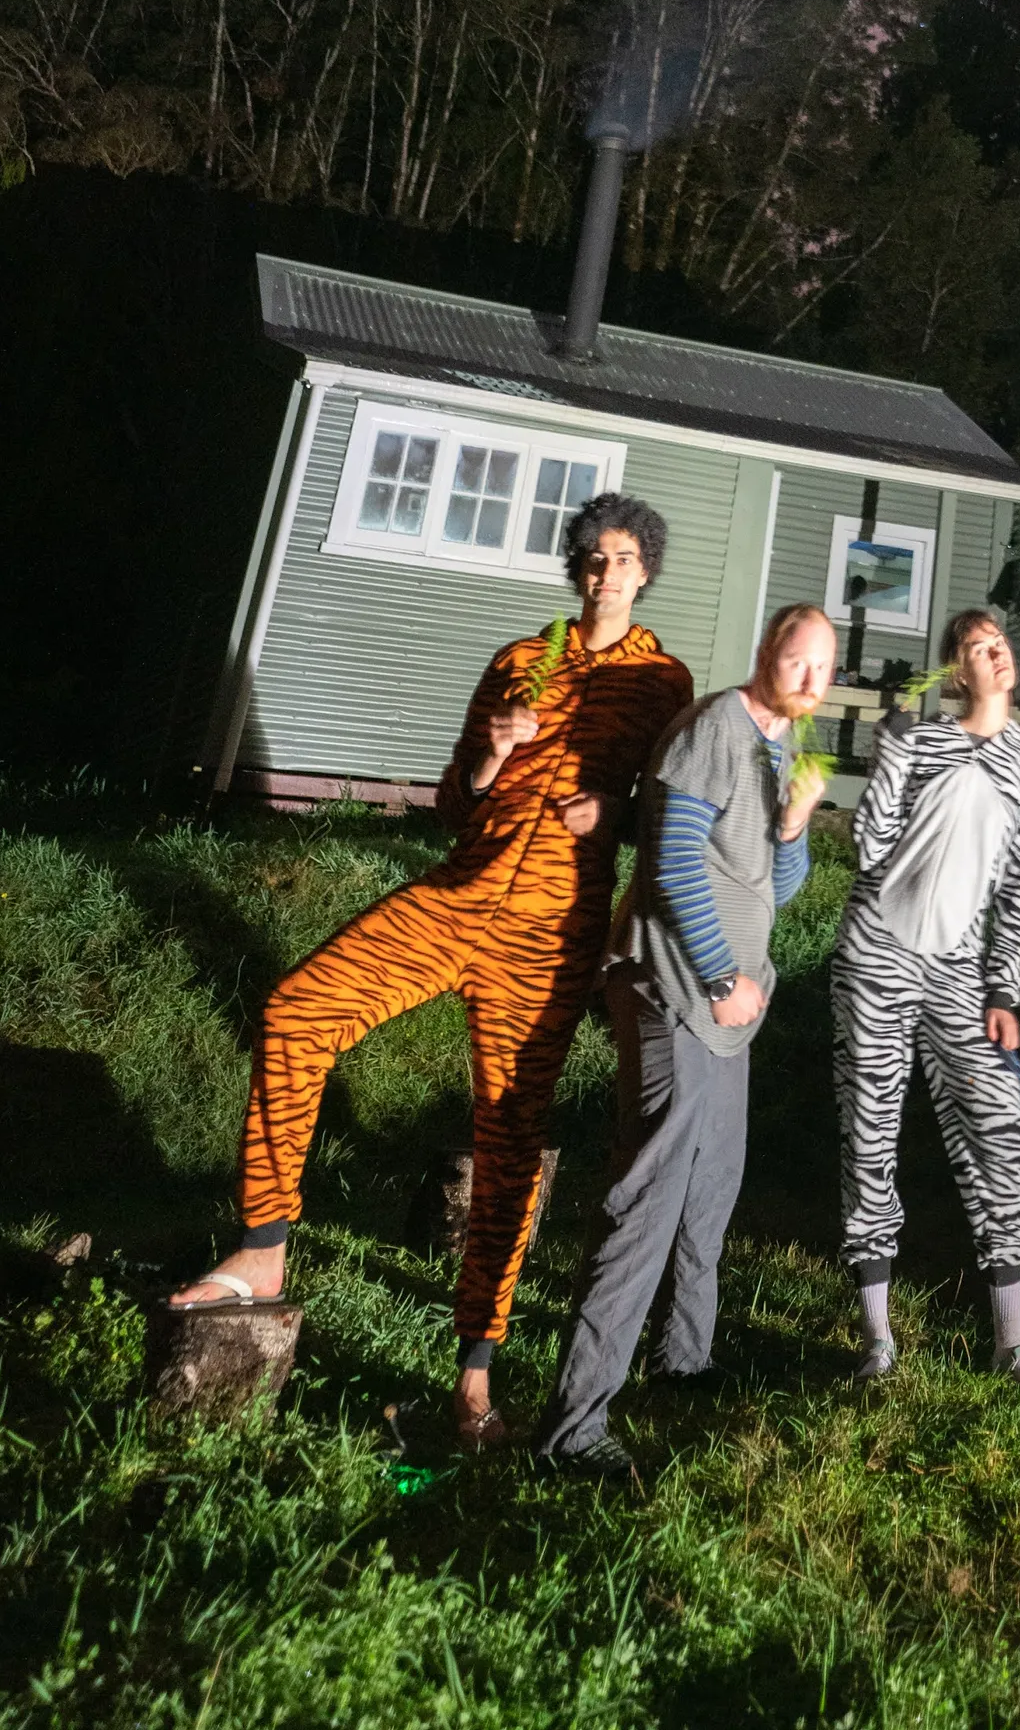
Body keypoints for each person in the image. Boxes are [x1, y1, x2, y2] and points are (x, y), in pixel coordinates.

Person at [169, 494, 691, 1448]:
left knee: (510, 1142)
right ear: (576, 566)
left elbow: (671, 817)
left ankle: (474, 1381)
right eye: (592, 556)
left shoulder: (664, 682)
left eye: (622, 558)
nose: (604, 572)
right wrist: (492, 755)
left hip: (551, 934)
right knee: (295, 1010)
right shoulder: (518, 661)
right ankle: (263, 1248)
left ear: (644, 570)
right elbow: (454, 801)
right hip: (456, 898)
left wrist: (614, 816)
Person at [533, 601, 838, 1473]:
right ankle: (571, 1429)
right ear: (766, 649)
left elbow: (775, 885)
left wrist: (794, 824)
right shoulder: (713, 727)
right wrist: (719, 975)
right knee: (651, 1191)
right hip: (674, 984)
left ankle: (683, 1356)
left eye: (825, 667)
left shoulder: (783, 748)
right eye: (798, 658)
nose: (811, 679)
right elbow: (669, 865)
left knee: (714, 1180)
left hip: (728, 1009)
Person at [830, 605, 1020, 1392]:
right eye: (976, 647)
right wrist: (891, 755)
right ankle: (877, 1338)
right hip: (876, 952)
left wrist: (1004, 986)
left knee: (999, 1127)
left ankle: (1013, 1343)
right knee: (871, 1127)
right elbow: (868, 846)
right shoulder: (921, 739)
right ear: (957, 669)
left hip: (961, 971)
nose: (994, 654)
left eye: (998, 643)